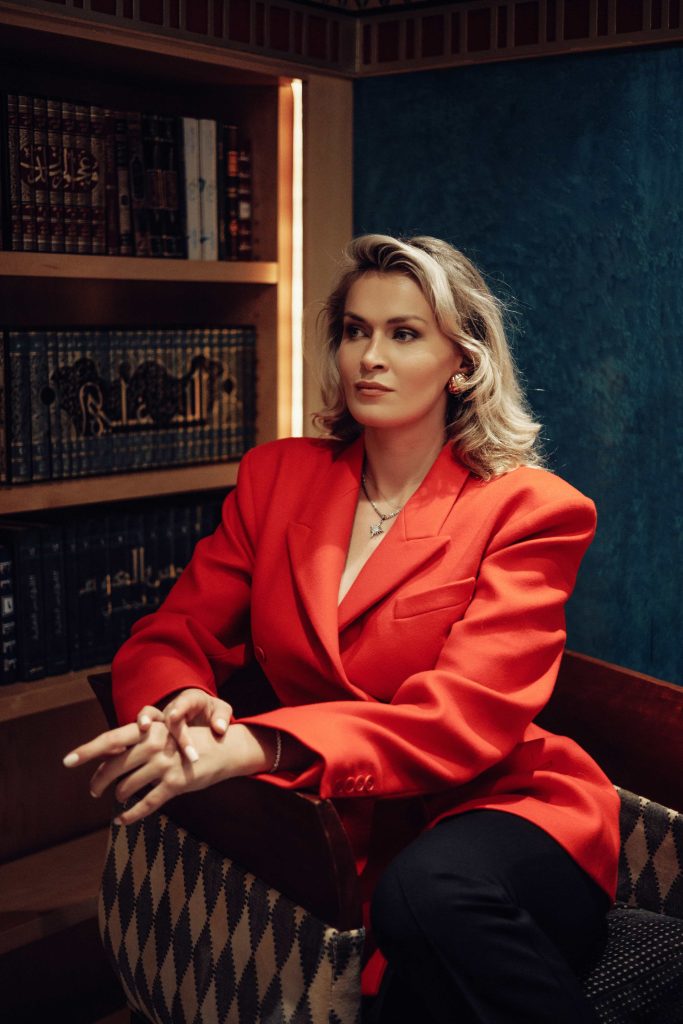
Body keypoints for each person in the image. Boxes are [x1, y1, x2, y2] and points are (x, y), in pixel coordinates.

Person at [64, 234, 620, 1023]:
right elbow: (169, 633)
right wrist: (178, 709)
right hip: (330, 824)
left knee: (426, 899)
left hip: (498, 806)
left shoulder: (531, 509)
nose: (369, 356)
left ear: (462, 362)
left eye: (403, 333)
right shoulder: (276, 477)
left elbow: (459, 722)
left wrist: (264, 742)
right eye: (355, 330)